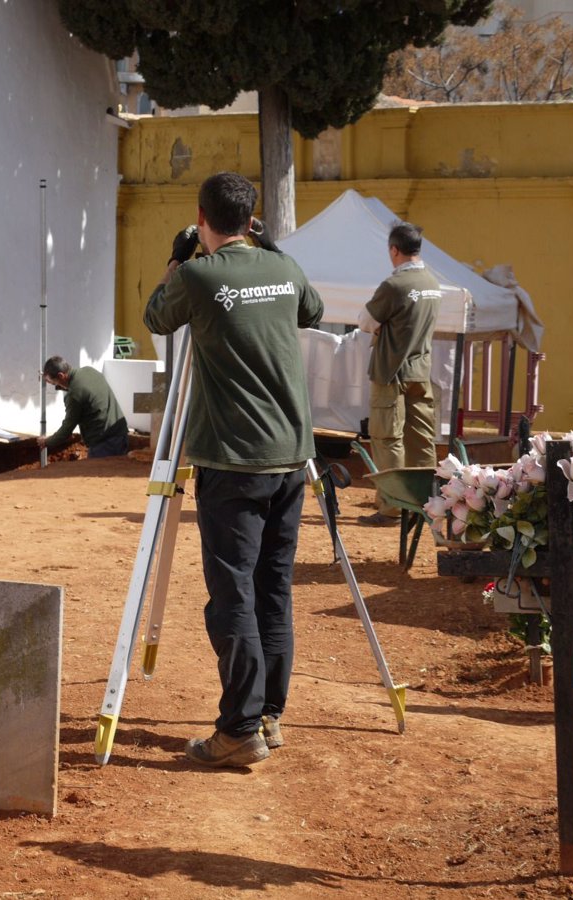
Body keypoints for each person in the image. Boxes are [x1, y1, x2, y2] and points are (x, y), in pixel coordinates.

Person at [144, 172, 324, 768]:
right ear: (253, 220)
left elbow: (155, 317)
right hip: (291, 457)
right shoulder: (284, 268)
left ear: (202, 217)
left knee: (232, 597)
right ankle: (269, 717)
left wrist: (176, 258)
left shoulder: (198, 276)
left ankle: (240, 727)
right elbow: (313, 308)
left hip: (232, 459)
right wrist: (271, 249)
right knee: (273, 589)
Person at [361, 222, 443, 525]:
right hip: (421, 371)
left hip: (391, 371)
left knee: (387, 437)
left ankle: (393, 507)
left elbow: (365, 320)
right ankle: (430, 504)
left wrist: (381, 326)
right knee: (421, 439)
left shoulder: (394, 285)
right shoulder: (432, 283)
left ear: (394, 250)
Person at [37, 357, 129, 458]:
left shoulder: (74, 395)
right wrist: (53, 380)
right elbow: (78, 389)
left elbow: (67, 429)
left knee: (96, 472)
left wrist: (46, 442)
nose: (55, 385)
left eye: (54, 382)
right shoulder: (89, 370)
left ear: (61, 375)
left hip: (104, 443)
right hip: (121, 433)